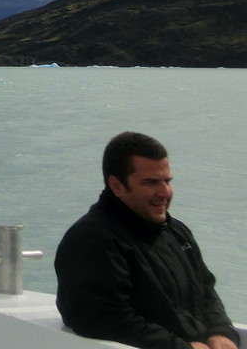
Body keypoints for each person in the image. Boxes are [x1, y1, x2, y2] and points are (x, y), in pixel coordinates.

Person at [55, 131, 239, 349]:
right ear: (117, 186)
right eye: (151, 182)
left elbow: (205, 290)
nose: (165, 192)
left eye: (167, 181)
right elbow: (103, 318)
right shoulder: (90, 240)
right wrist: (180, 347)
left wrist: (220, 332)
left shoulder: (177, 232)